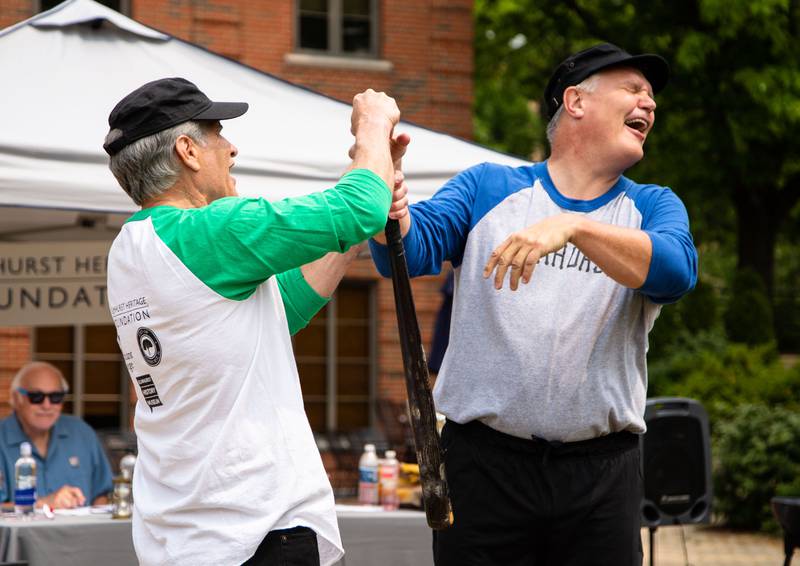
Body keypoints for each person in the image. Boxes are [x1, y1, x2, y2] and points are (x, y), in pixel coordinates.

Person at [369, 43, 698, 566]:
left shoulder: (651, 205)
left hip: (602, 477)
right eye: (634, 90)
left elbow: (675, 273)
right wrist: (391, 204)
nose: (650, 105)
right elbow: (406, 253)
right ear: (575, 101)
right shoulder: (488, 187)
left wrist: (573, 226)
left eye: (652, 97)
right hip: (484, 468)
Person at [104, 77, 406, 566]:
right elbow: (358, 206)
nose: (231, 147)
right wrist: (371, 130)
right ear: (187, 150)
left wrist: (360, 219)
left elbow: (280, 309)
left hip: (186, 536)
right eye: (217, 132)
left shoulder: (131, 249)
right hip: (257, 530)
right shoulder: (212, 229)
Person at [0, 362, 113, 509]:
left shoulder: (82, 433)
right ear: (17, 398)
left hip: (79, 531)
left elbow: (102, 494)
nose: (47, 405)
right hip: (23, 532)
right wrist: (42, 504)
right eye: (36, 396)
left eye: (56, 397)